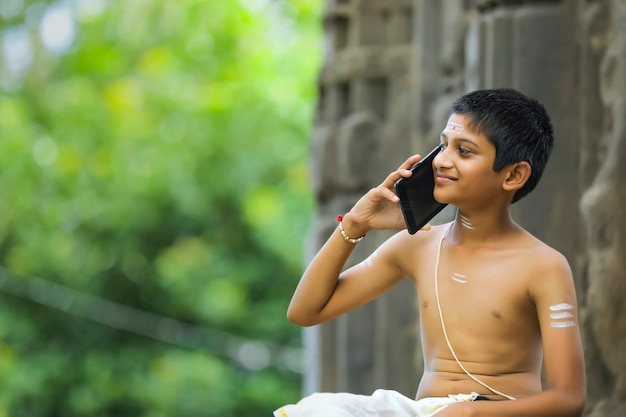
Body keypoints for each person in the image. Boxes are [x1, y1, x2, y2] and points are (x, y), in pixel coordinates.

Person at [274, 89, 586, 417]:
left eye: (464, 151)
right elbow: (305, 312)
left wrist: (467, 413)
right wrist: (353, 226)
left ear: (513, 175)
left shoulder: (543, 266)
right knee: (314, 409)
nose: (441, 160)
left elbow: (568, 400)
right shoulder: (418, 244)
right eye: (443, 145)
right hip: (419, 412)